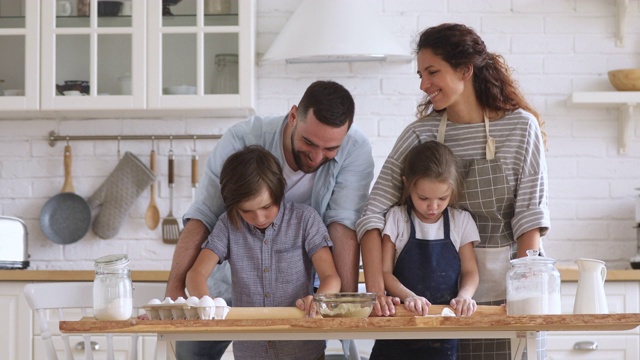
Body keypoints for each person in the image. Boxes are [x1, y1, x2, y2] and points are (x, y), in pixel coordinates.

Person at [356, 23, 550, 360]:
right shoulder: (420, 134)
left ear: (465, 70)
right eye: (420, 74)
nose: (423, 84)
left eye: (432, 72)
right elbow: (373, 214)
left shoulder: (520, 127)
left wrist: (523, 299)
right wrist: (376, 293)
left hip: (504, 301)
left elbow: (529, 220)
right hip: (433, 307)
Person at [167, 80, 374, 359]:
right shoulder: (243, 139)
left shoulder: (353, 153)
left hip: (304, 291)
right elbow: (204, 216)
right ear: (292, 117)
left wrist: (341, 306)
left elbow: (343, 227)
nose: (315, 157)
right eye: (309, 143)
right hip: (235, 286)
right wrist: (177, 291)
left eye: (330, 149)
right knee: (191, 350)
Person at [186, 145, 341, 360]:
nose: (259, 218)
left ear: (279, 191)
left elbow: (331, 276)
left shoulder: (305, 220)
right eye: (247, 211)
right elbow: (195, 275)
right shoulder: (228, 225)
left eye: (267, 206)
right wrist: (207, 305)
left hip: (304, 351)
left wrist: (320, 298)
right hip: (251, 352)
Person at [369, 140, 479, 360]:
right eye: (423, 198)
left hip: (442, 332)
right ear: (407, 185)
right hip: (397, 328)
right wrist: (409, 297)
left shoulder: (461, 222)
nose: (433, 207)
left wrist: (465, 296)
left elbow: (470, 271)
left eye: (442, 198)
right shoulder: (397, 218)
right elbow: (384, 273)